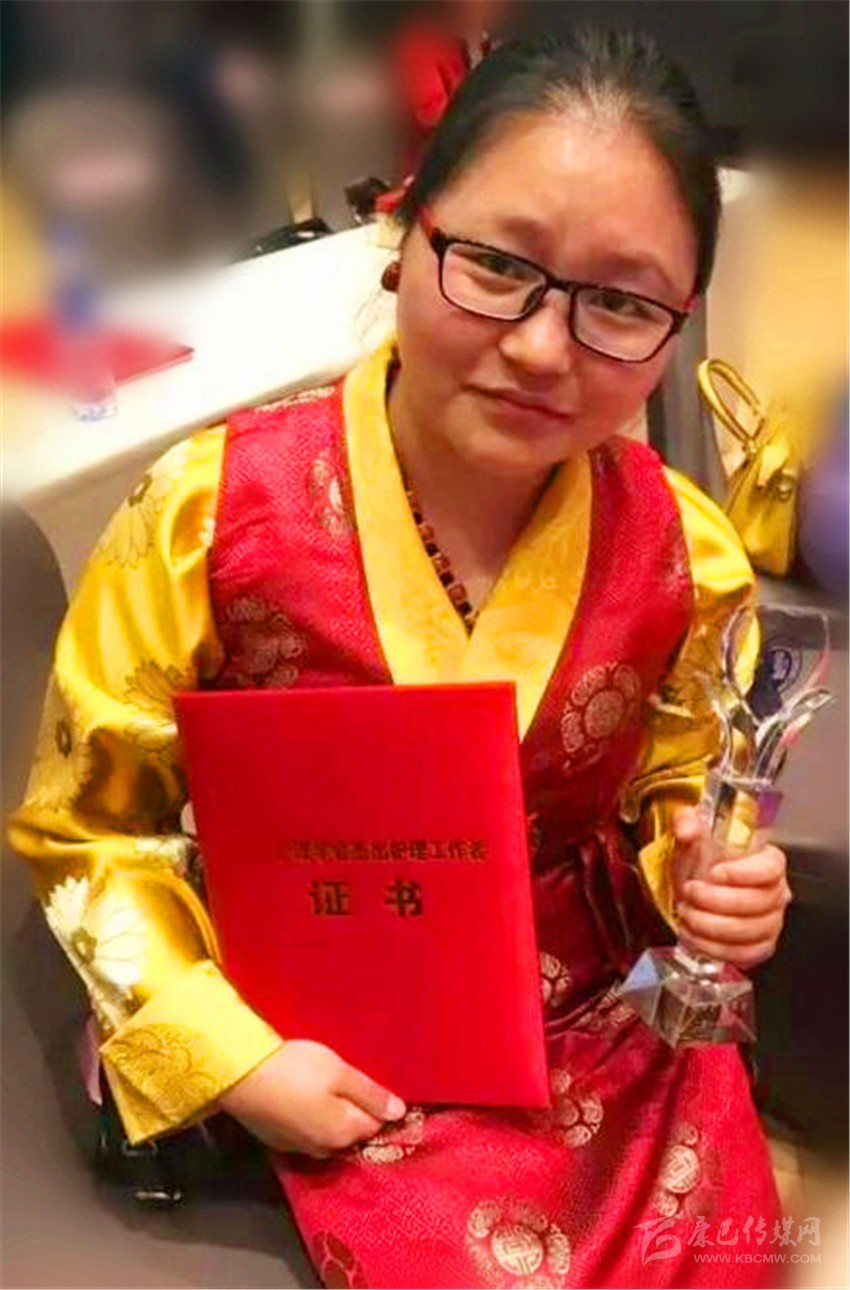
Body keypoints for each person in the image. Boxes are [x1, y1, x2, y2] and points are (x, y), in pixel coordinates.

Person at [10, 29, 791, 1289]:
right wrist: (233, 1058)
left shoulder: (684, 551)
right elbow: (90, 828)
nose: (541, 348)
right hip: (324, 1029)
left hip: (602, 1009)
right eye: (497, 264)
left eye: (621, 301)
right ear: (406, 232)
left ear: (677, 325)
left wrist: (703, 872)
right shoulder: (208, 515)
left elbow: (678, 779)